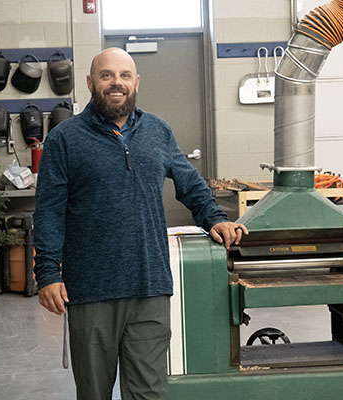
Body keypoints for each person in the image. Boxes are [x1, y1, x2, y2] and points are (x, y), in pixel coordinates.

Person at [34, 47, 248, 400]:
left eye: (124, 75)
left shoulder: (157, 131)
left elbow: (189, 182)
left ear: (136, 82)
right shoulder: (65, 139)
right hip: (90, 292)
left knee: (149, 392)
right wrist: (48, 273)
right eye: (106, 75)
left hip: (149, 286)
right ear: (90, 82)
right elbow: (49, 211)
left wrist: (215, 218)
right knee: (94, 393)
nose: (116, 82)